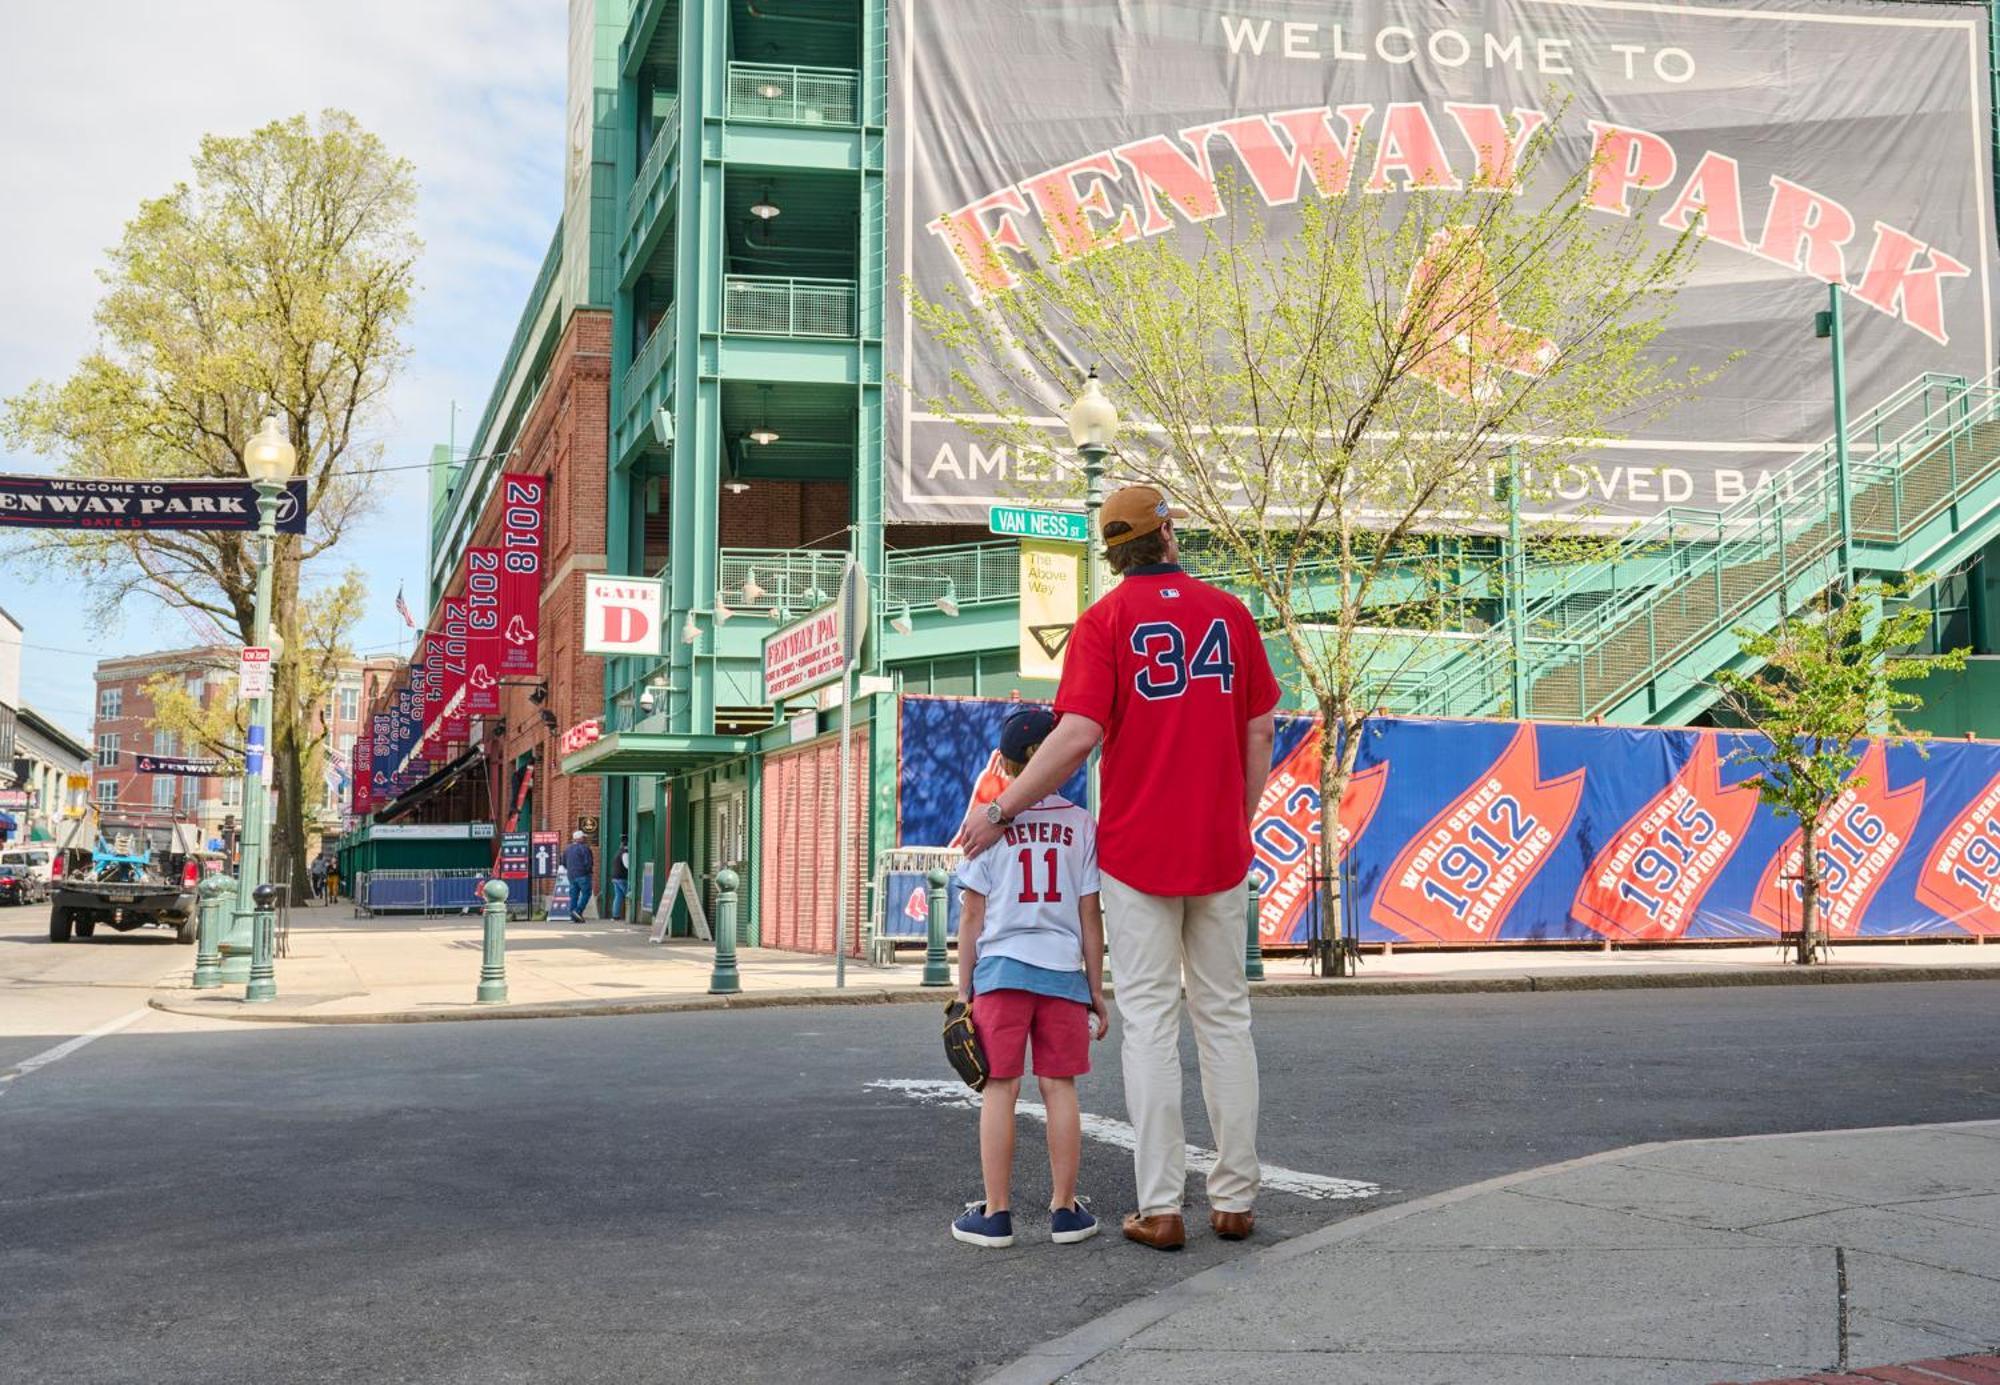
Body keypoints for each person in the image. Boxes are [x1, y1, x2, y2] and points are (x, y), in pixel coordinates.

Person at [959, 484, 1278, 1252]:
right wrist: (1239, 813)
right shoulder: (1230, 613)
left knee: (1150, 1028)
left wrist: (1002, 808)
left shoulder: (1104, 622)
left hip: (1138, 848)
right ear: (1168, 535)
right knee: (1225, 1018)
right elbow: (1261, 725)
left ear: (1111, 550)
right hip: (1218, 844)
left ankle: (1161, 1204)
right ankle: (1234, 1197)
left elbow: (1074, 737)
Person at [949, 706, 1109, 1249]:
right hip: (1063, 970)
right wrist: (1096, 989)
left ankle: (996, 1215)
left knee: (1000, 1087)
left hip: (1000, 971)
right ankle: (1065, 1210)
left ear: (1009, 763)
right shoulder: (1081, 824)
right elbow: (1090, 914)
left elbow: (972, 914)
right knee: (1059, 1086)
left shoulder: (990, 823)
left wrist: (963, 989)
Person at [562, 830, 594, 922]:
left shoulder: (567, 849)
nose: (585, 839)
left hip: (571, 875)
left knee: (574, 896)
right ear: (580, 838)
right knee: (587, 893)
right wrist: (588, 871)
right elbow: (588, 862)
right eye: (584, 837)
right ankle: (577, 911)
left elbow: (563, 862)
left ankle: (573, 917)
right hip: (583, 874)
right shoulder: (584, 848)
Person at [610, 839, 630, 920]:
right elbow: (627, 865)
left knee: (618, 896)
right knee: (629, 895)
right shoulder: (625, 853)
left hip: (615, 877)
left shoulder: (618, 852)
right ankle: (629, 916)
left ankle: (615, 915)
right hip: (622, 878)